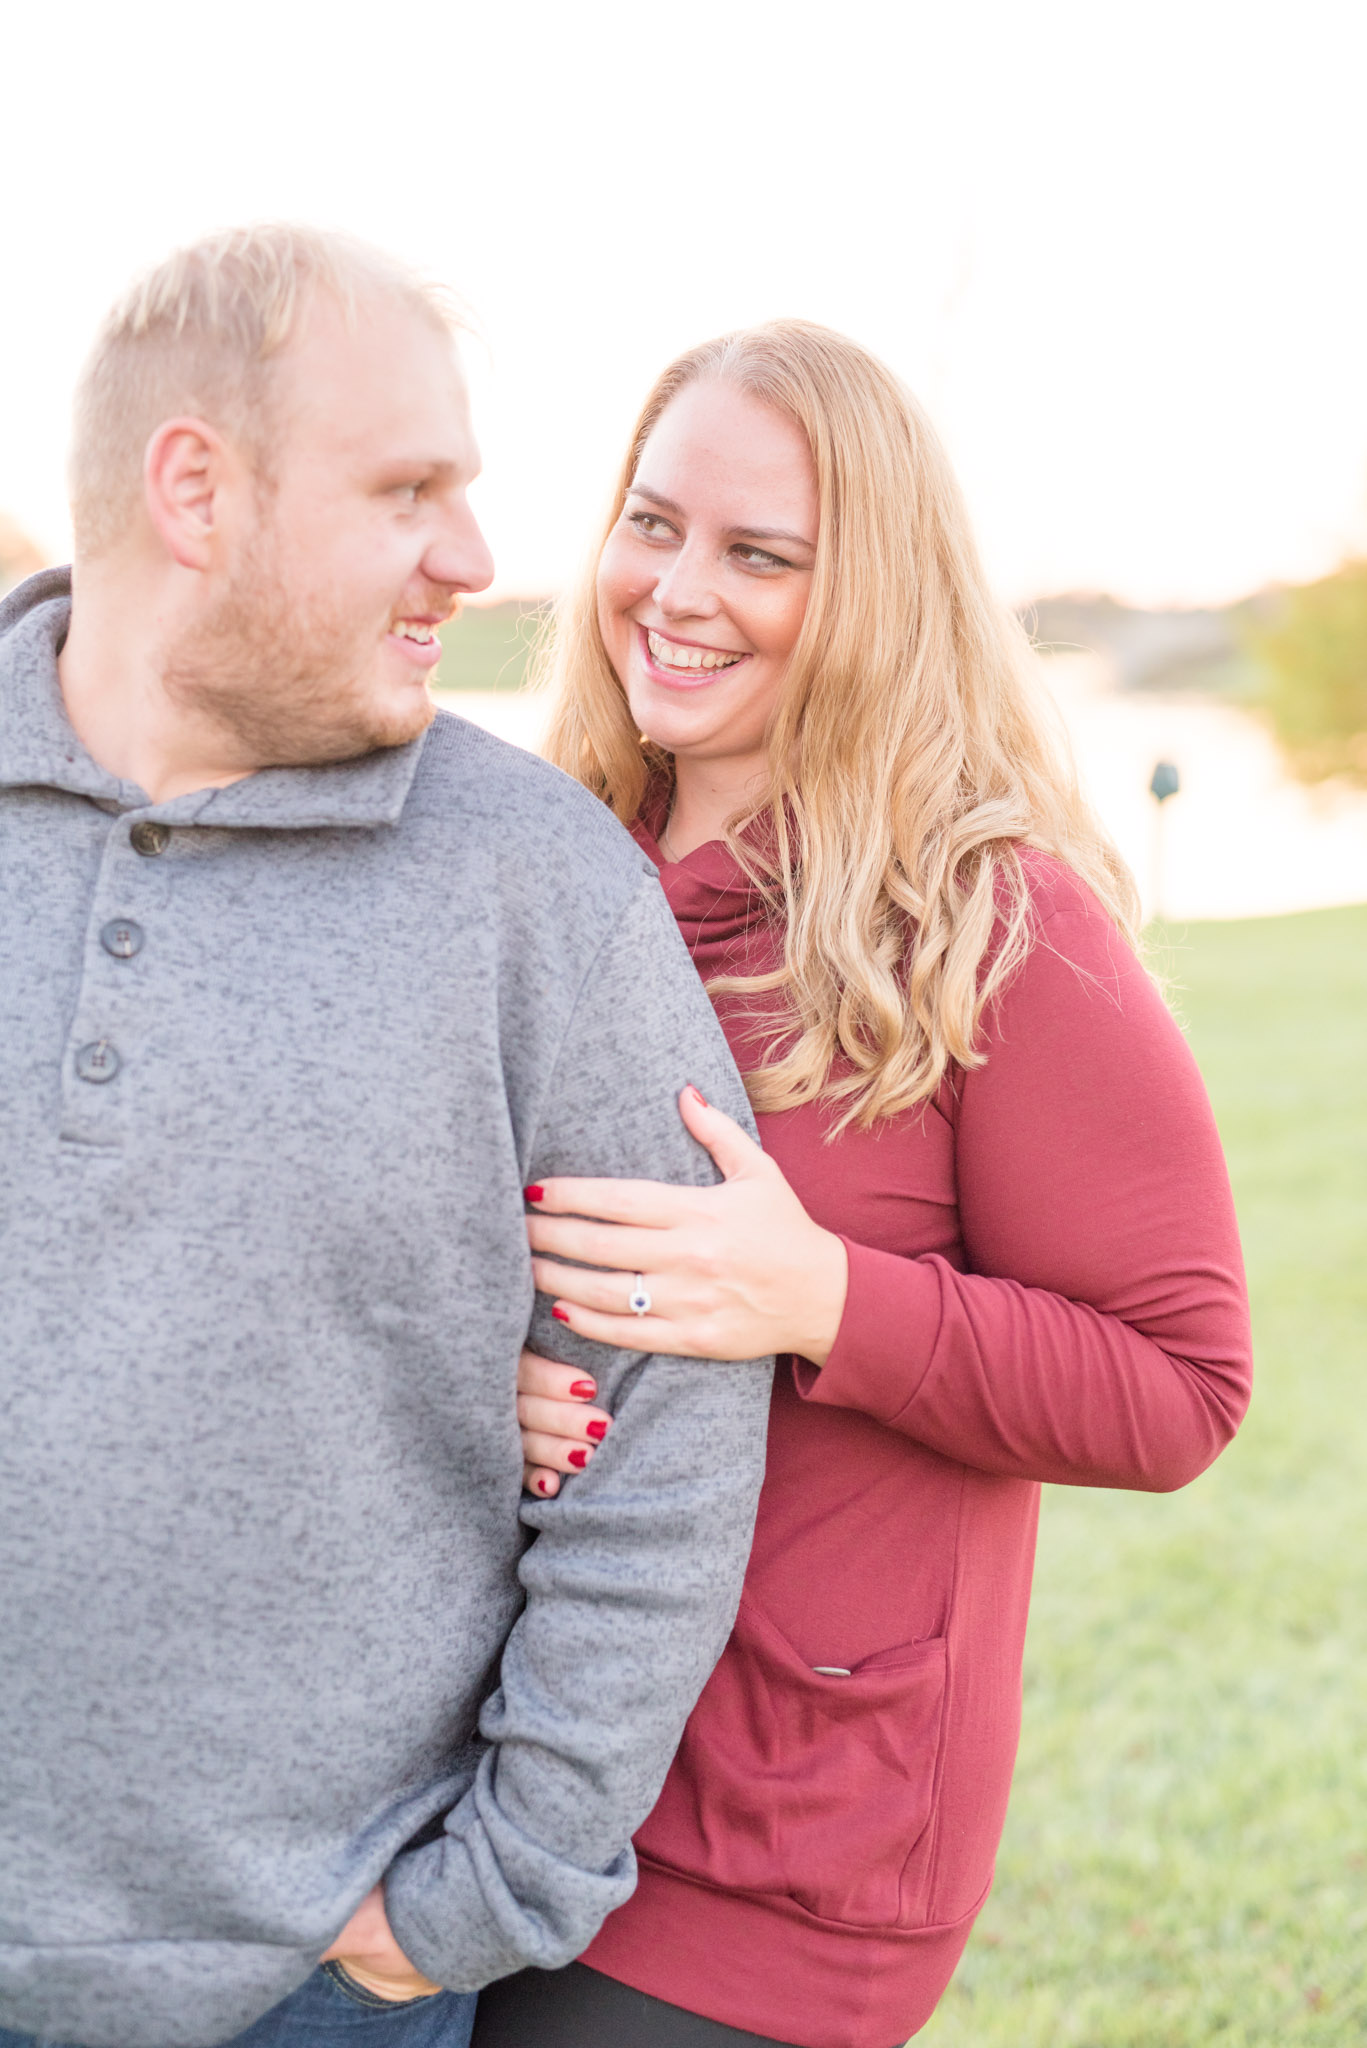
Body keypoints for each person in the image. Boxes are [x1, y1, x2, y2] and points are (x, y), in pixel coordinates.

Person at [0, 227, 774, 2048]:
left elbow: (664, 1420)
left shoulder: (537, 891)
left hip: (309, 1992)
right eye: (407, 490)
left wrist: (496, 1885)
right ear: (195, 487)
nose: (478, 559)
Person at [472, 322, 1254, 2048]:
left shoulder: (995, 920)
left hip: (778, 1845)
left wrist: (819, 1297)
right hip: (499, 1767)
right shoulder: (539, 866)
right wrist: (489, 1381)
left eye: (762, 555)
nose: (679, 590)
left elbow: (1185, 1387)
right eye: (653, 523)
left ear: (877, 594)